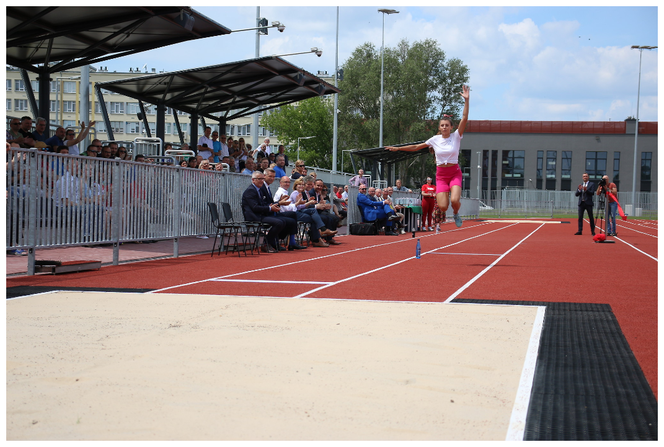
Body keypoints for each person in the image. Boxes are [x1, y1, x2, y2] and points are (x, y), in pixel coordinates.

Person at [386, 84, 470, 228]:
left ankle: (456, 213)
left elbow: (464, 118)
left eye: (447, 125)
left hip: (454, 173)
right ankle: (449, 210)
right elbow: (416, 147)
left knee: (455, 200)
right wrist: (397, 148)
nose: (444, 127)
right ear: (439, 127)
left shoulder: (456, 136)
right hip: (442, 175)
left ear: (451, 127)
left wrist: (466, 100)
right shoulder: (434, 140)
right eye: (442, 125)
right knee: (443, 207)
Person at [241, 171, 291, 253]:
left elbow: (264, 204)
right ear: (253, 180)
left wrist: (275, 205)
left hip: (261, 215)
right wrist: (270, 208)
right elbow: (255, 207)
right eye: (259, 179)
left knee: (283, 221)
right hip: (254, 217)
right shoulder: (250, 190)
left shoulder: (259, 190)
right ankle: (266, 244)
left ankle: (271, 243)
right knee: (279, 222)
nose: (261, 181)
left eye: (262, 179)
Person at [289, 177, 336, 247]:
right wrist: (309, 203)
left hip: (303, 212)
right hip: (297, 213)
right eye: (299, 185)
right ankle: (320, 235)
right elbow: (298, 207)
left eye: (302, 185)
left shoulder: (302, 193)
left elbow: (302, 205)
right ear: (295, 185)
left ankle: (320, 238)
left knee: (332, 218)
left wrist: (311, 203)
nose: (301, 186)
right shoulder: (296, 193)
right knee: (315, 216)